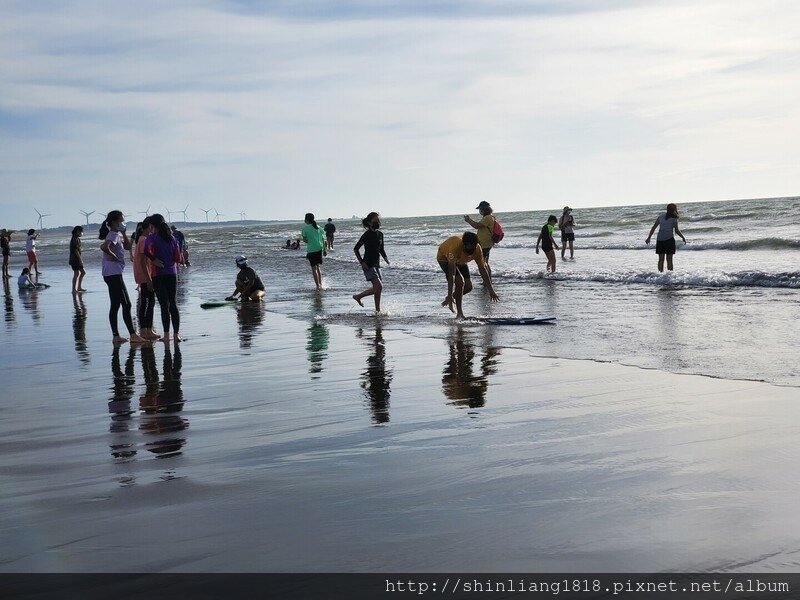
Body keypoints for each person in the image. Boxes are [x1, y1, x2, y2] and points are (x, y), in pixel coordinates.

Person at [99, 211, 145, 344]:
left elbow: (128, 247)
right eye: (121, 220)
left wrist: (124, 232)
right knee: (126, 303)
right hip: (113, 273)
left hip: (110, 273)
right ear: (114, 222)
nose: (123, 222)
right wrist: (112, 255)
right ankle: (133, 335)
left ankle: (116, 336)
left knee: (115, 304)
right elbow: (104, 246)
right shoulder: (113, 234)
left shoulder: (117, 234)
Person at [437, 231, 499, 319]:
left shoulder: (477, 249)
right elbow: (452, 275)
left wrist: (491, 290)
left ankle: (449, 299)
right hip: (444, 258)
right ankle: (460, 314)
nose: (470, 252)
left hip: (460, 259)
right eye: (468, 249)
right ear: (463, 244)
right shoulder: (455, 247)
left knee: (468, 287)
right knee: (460, 282)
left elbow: (482, 269)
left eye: (472, 249)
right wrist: (449, 293)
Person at [145, 214, 182, 342]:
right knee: (173, 304)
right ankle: (176, 335)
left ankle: (166, 336)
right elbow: (178, 258)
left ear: (152, 225)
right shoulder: (172, 238)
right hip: (172, 273)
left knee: (164, 306)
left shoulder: (152, 238)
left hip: (158, 274)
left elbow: (146, 250)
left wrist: (154, 259)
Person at [353, 212, 389, 311]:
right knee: (379, 286)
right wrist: (362, 262)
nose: (378, 222)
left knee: (378, 289)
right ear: (369, 222)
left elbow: (381, 249)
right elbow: (356, 249)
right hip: (368, 264)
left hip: (377, 264)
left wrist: (385, 258)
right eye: (375, 220)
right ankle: (376, 309)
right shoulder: (366, 235)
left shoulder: (380, 234)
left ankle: (376, 309)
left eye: (378, 220)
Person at [133, 217, 160, 340]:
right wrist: (149, 279)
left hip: (142, 274)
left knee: (145, 302)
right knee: (149, 302)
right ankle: (146, 330)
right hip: (145, 275)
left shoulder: (141, 239)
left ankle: (146, 330)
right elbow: (143, 262)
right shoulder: (144, 240)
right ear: (149, 227)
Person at [646, 203, 687, 272]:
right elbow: (676, 230)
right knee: (669, 259)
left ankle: (660, 275)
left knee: (661, 259)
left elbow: (653, 227)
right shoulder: (674, 218)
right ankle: (669, 276)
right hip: (669, 239)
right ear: (674, 209)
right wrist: (683, 237)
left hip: (660, 239)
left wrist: (649, 237)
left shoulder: (661, 216)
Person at [464, 201, 496, 280]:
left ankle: (487, 281)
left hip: (485, 244)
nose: (479, 211)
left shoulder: (488, 217)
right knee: (485, 263)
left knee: (482, 264)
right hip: (487, 243)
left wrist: (468, 220)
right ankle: (488, 280)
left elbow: (477, 226)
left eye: (480, 209)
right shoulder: (488, 217)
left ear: (484, 209)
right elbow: (478, 225)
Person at [301, 213, 326, 290]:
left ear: (307, 220)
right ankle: (321, 284)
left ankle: (317, 286)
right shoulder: (318, 227)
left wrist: (306, 240)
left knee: (313, 268)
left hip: (311, 250)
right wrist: (324, 249)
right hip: (319, 249)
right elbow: (323, 239)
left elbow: (305, 240)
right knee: (318, 267)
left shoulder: (305, 228)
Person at [69, 225, 86, 293]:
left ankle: (79, 287)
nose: (82, 233)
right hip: (74, 259)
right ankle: (74, 289)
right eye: (81, 231)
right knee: (77, 274)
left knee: (82, 273)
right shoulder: (74, 239)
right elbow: (75, 250)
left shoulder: (77, 239)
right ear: (77, 231)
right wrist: (80, 259)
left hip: (76, 259)